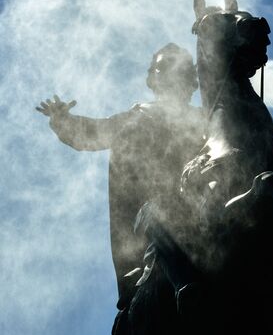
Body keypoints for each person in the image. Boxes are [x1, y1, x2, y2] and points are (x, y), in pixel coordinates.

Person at [36, 43, 204, 310]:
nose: (170, 73)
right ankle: (187, 288)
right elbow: (92, 133)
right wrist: (62, 120)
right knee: (160, 210)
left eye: (178, 68)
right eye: (162, 67)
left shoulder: (206, 120)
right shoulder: (137, 118)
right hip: (150, 220)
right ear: (153, 79)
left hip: (203, 208)